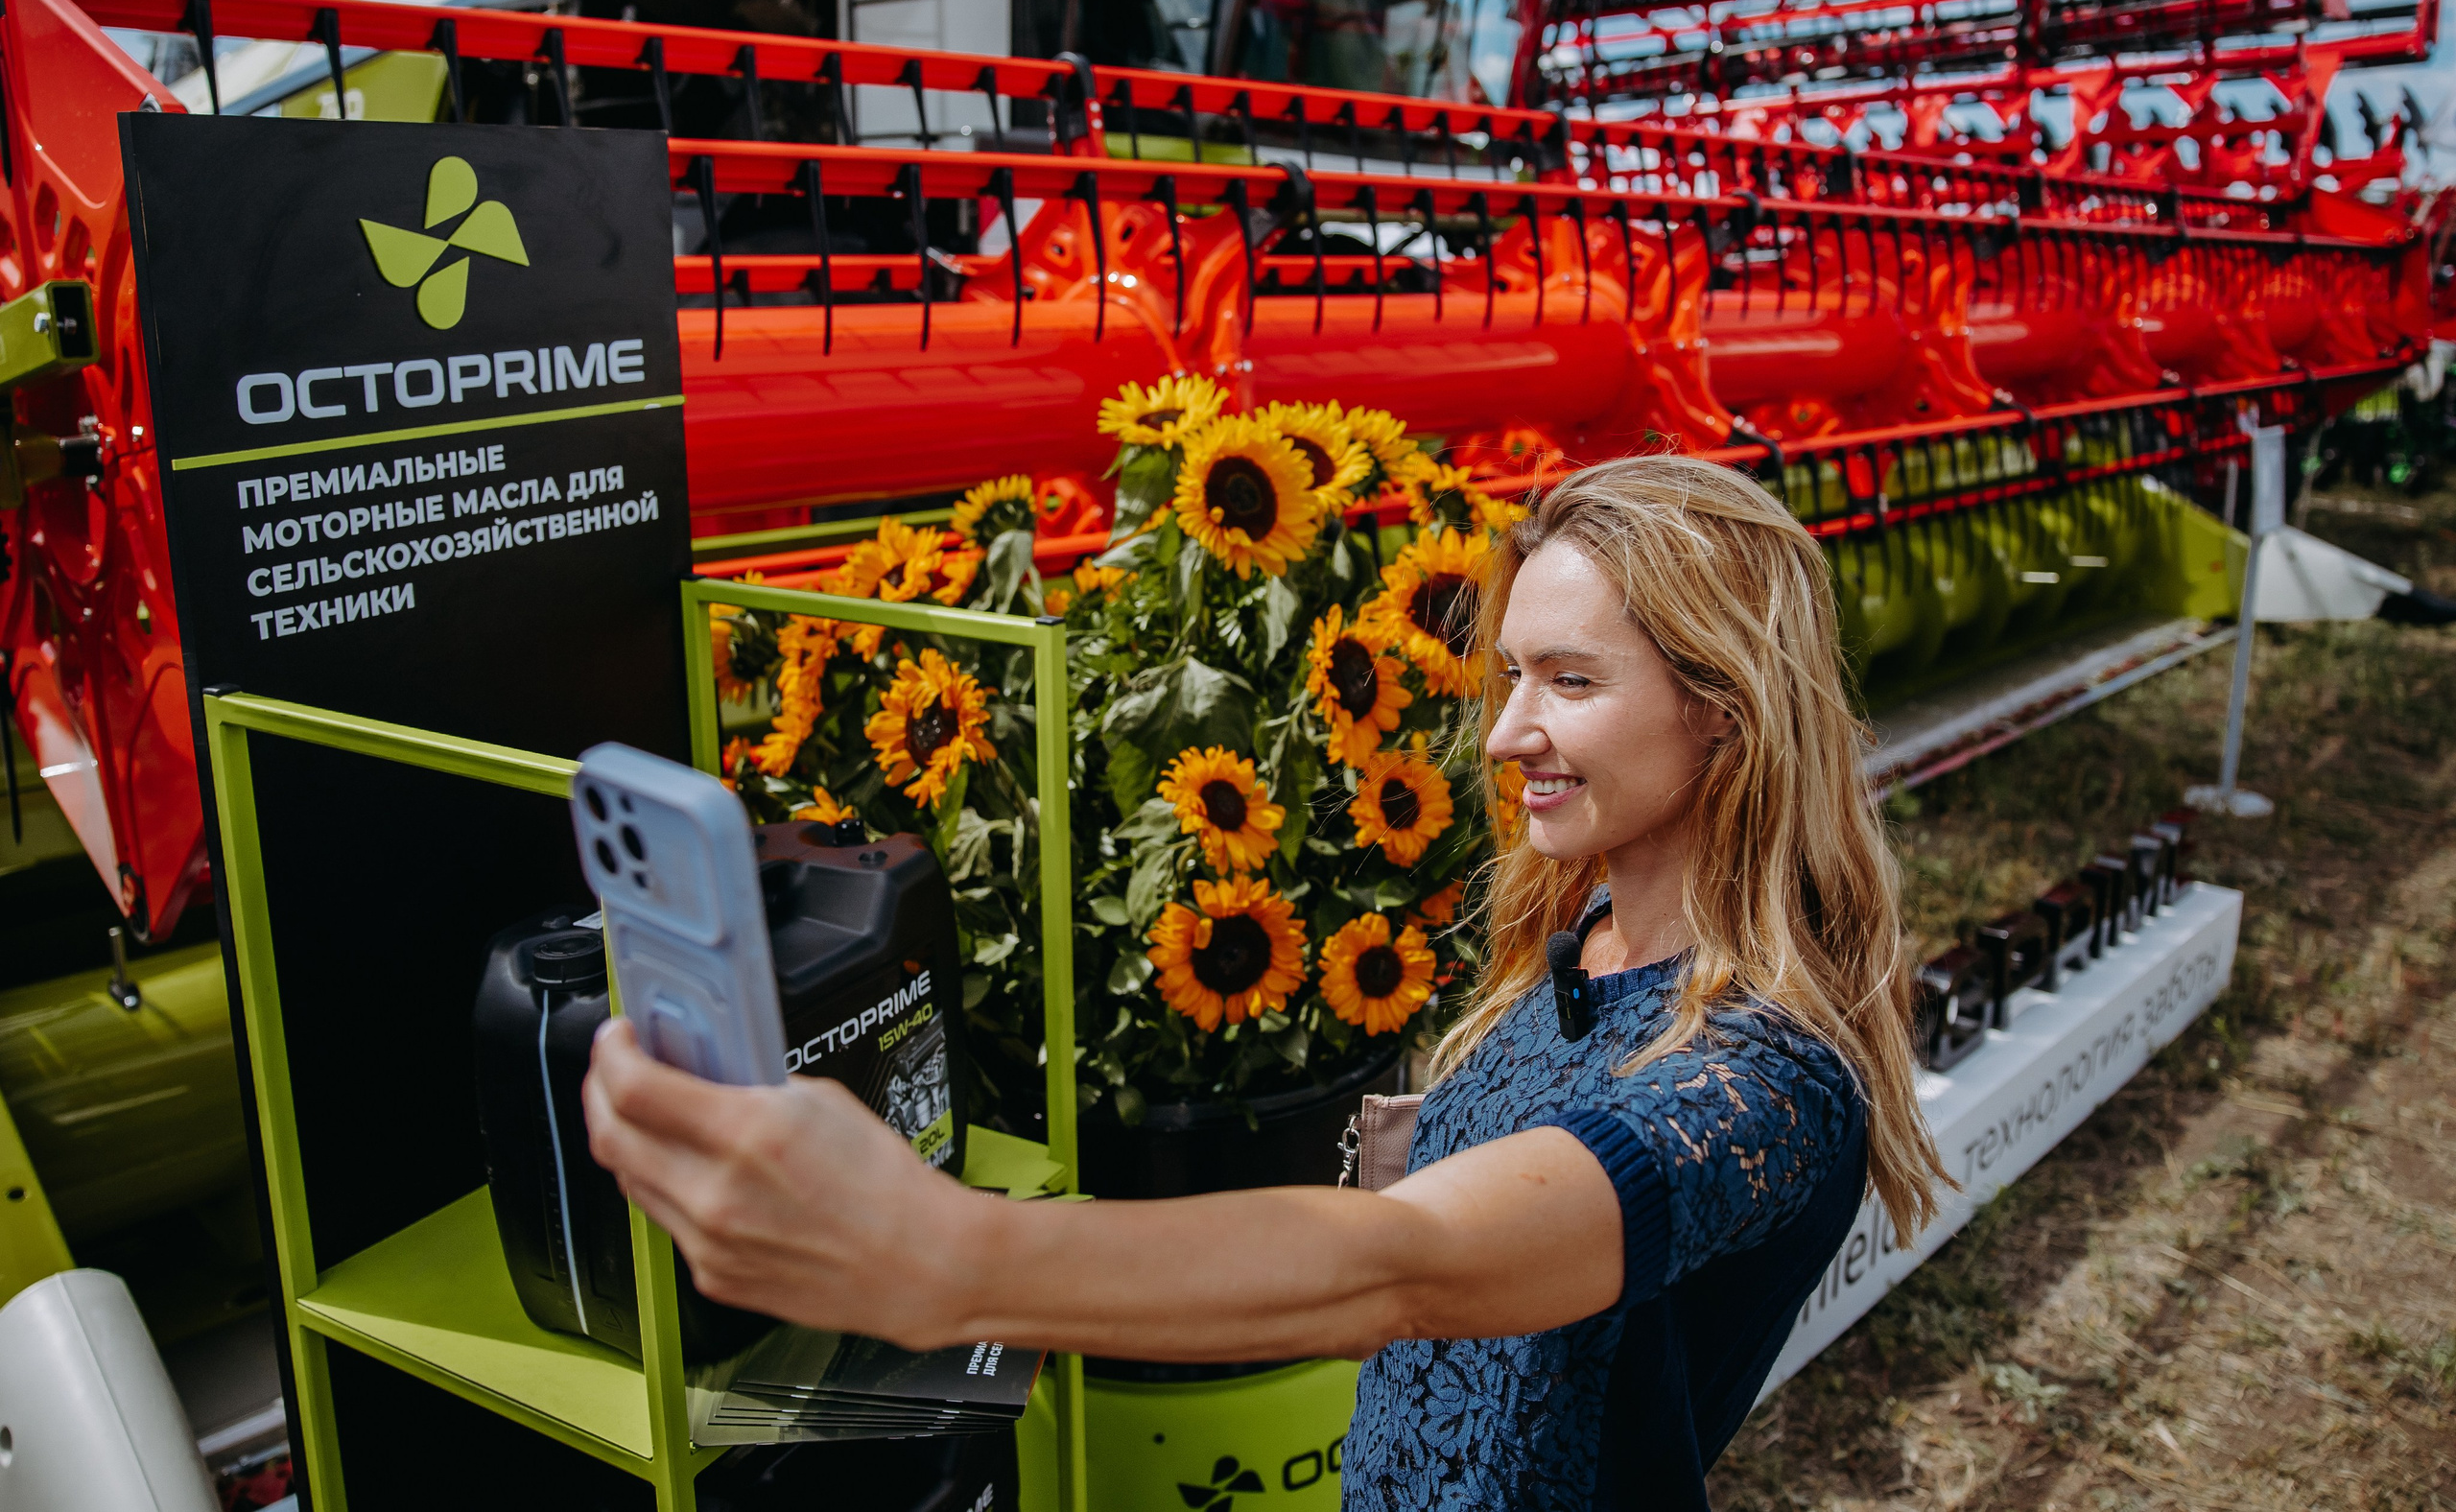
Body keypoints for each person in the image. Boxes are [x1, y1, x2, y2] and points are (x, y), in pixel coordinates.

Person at [584, 454, 1948, 1510]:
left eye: (1572, 680)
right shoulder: (1584, 933)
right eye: (1513, 674)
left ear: (1723, 706)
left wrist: (949, 1261)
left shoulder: (1758, 1083)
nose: (1508, 730)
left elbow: (1410, 1270)